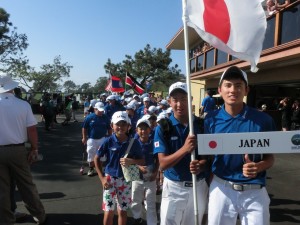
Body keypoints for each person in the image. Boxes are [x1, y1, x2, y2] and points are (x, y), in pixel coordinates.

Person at [205, 66, 276, 225]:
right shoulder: (210, 120)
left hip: (254, 191)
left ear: (246, 90)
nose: (233, 90)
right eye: (228, 85)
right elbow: (207, 155)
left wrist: (258, 166)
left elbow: (270, 157)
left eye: (238, 85)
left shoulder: (264, 120)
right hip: (221, 188)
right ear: (220, 90)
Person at [153, 81, 209, 225]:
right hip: (174, 188)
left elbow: (207, 159)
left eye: (183, 99)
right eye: (175, 100)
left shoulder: (201, 125)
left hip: (198, 186)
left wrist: (201, 165)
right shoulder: (163, 127)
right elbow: (163, 164)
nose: (179, 104)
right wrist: (185, 149)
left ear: (190, 100)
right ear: (170, 102)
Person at [0, 75, 46, 225]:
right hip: (18, 150)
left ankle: (6, 219)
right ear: (11, 87)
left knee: (2, 189)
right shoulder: (22, 104)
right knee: (26, 185)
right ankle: (39, 215)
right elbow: (31, 130)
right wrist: (34, 148)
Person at [94, 111, 144, 225]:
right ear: (112, 125)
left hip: (125, 180)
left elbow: (142, 160)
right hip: (109, 180)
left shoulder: (134, 142)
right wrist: (102, 178)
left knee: (122, 211)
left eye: (123, 124)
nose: (120, 127)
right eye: (118, 124)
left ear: (128, 126)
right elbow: (96, 158)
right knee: (108, 211)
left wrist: (132, 161)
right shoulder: (108, 141)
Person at [131, 118, 159, 225]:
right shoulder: (132, 143)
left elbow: (158, 159)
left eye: (146, 128)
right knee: (136, 200)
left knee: (151, 203)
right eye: (141, 129)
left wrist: (156, 172)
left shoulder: (154, 143)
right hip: (136, 177)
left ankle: (152, 222)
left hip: (151, 177)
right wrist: (138, 166)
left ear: (150, 129)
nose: (143, 131)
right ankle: (137, 218)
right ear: (136, 130)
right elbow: (126, 161)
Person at [82, 102, 112, 176]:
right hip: (91, 139)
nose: (101, 112)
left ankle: (99, 168)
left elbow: (109, 128)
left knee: (102, 155)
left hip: (102, 139)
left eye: (102, 110)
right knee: (91, 154)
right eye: (99, 110)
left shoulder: (105, 118)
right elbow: (84, 128)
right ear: (95, 109)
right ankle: (91, 168)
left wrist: (110, 137)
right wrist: (84, 137)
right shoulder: (89, 117)